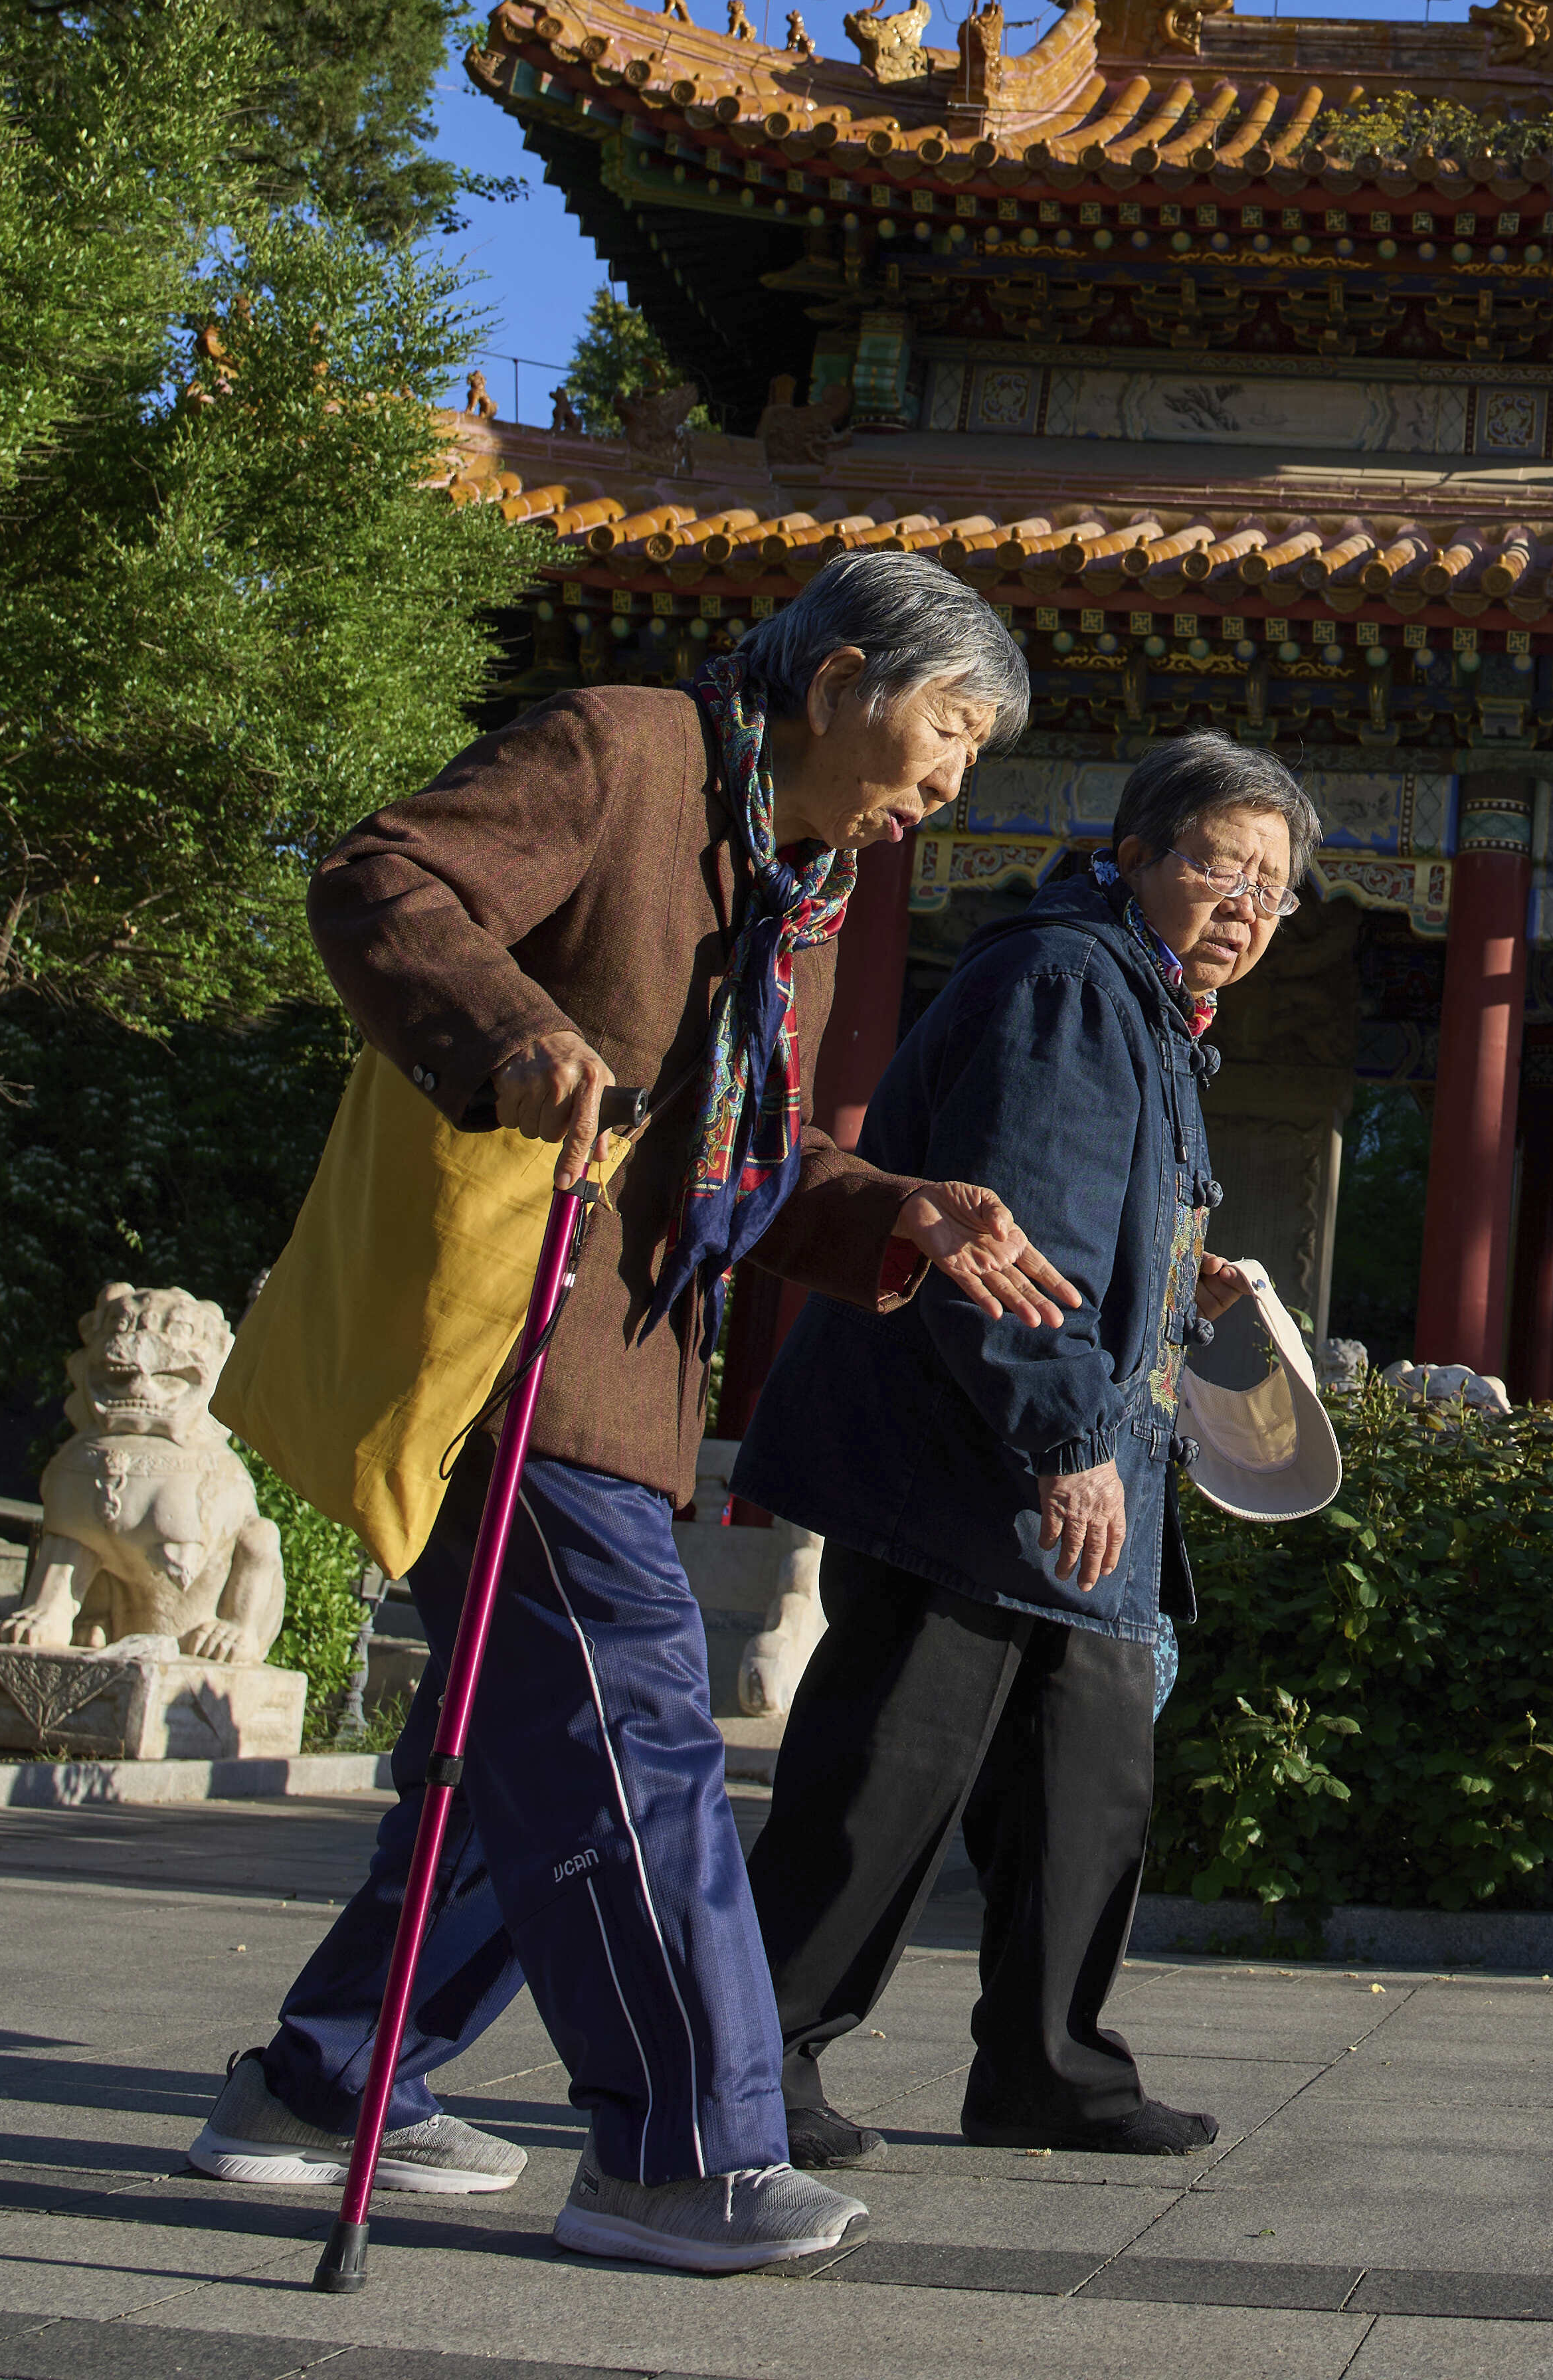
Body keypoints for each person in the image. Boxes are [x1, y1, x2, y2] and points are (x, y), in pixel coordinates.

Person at [182, 555, 1082, 2278]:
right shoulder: (623, 751)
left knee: (534, 1748)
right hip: (511, 1342)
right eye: (952, 729)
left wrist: (901, 1207)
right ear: (840, 682)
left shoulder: (793, 886)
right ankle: (683, 2153)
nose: (955, 780)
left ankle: (322, 2081)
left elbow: (749, 1159)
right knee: (635, 1729)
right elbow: (384, 878)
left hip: (627, 1367)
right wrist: (510, 1030)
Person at [743, 730, 1317, 2164]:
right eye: (1221, 868)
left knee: (1086, 1780)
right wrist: (1064, 1435)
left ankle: (1048, 2069)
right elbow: (1016, 1233)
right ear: (1134, 858)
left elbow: (1096, 1219)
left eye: (1273, 888)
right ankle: (750, 2060)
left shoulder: (1152, 1006)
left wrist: (1177, 1281)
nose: (1246, 906)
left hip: (1078, 1470)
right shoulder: (1068, 979)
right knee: (884, 1782)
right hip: (972, 1470)